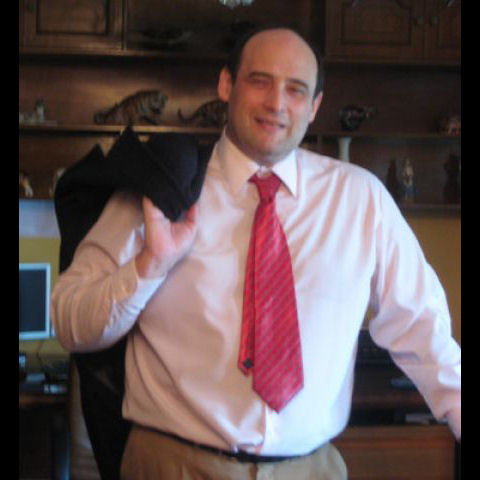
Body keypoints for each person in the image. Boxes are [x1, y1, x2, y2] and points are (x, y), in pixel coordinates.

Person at [51, 27, 461, 479]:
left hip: (311, 471)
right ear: (226, 85)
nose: (277, 103)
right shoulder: (161, 188)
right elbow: (69, 322)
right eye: (260, 81)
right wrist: (149, 267)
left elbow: (425, 332)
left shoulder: (362, 200)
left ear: (315, 106)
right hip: (174, 466)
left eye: (296, 89)